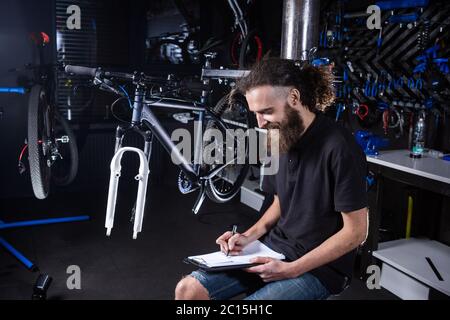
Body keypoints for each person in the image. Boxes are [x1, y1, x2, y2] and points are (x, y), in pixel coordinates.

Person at [175, 58, 369, 300]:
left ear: (294, 98)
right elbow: (280, 203)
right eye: (255, 113)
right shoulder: (278, 137)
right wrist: (247, 236)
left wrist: (291, 270)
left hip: (319, 269)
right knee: (188, 291)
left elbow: (356, 232)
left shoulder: (339, 147)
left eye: (267, 112)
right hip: (275, 249)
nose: (260, 122)